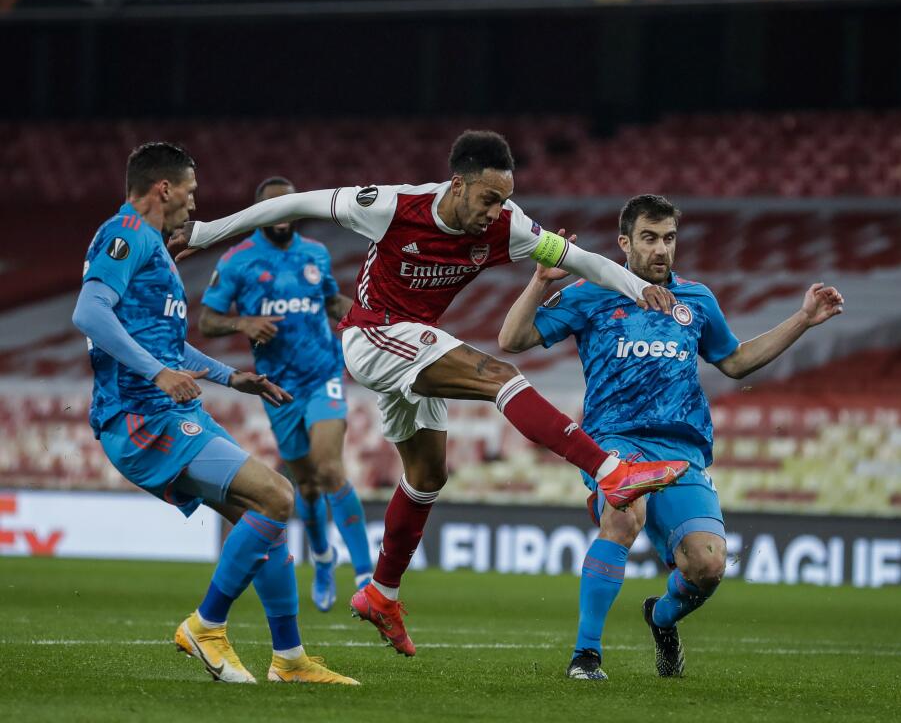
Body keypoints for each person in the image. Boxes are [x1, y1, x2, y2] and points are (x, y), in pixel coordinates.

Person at [172, 130, 691, 657]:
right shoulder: (392, 205)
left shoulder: (509, 225)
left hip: (414, 347)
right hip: (371, 334)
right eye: (488, 198)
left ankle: (382, 593)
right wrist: (206, 231)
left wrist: (636, 287)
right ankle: (611, 472)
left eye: (503, 199)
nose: (495, 211)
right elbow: (297, 202)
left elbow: (585, 262)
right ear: (459, 184)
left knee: (427, 476)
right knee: (499, 377)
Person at [497, 194, 845, 679]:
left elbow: (736, 361)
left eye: (669, 238)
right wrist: (538, 283)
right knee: (625, 513)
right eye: (649, 238)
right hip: (614, 442)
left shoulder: (697, 300)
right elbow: (512, 339)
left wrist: (803, 320)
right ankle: (586, 654)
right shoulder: (592, 292)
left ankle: (660, 618)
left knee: (708, 565)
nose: (661, 249)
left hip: (682, 452)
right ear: (624, 243)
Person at [72, 142, 356, 684]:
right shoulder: (126, 231)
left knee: (266, 524)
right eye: (191, 190)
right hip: (140, 414)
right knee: (277, 494)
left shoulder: (150, 247)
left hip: (169, 409)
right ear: (164, 189)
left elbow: (168, 342)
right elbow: (89, 311)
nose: (194, 201)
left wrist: (233, 379)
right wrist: (156, 373)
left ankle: (289, 660)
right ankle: (206, 625)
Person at [199, 176, 373, 611]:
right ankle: (323, 559)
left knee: (330, 469)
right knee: (308, 485)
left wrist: (371, 319)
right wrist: (242, 324)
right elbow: (207, 320)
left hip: (324, 373)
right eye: (272, 208)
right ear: (260, 214)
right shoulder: (238, 261)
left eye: (289, 206)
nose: (282, 215)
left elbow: (331, 301)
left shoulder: (315, 253)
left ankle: (369, 574)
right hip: (278, 389)